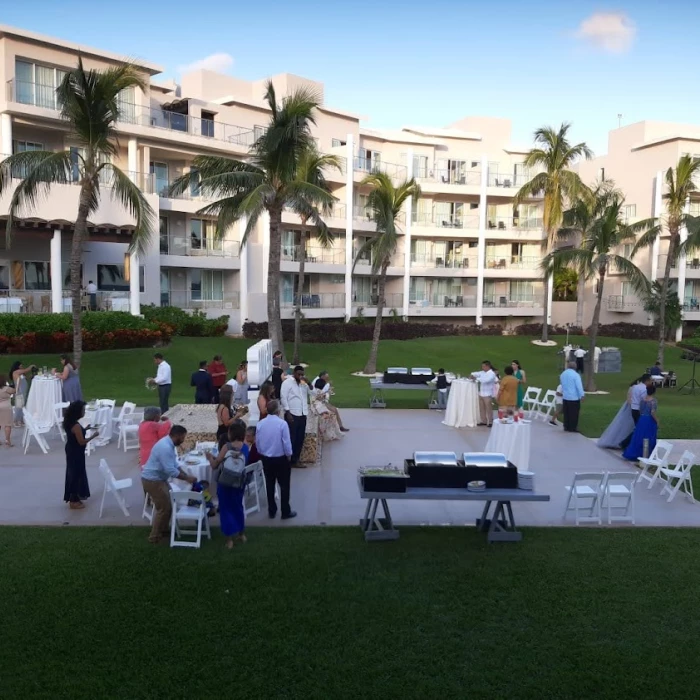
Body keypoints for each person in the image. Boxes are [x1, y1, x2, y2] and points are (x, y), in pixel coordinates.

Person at [141, 425, 197, 544]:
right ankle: (154, 536)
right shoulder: (165, 447)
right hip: (153, 481)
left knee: (169, 505)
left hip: (159, 479)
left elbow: (174, 465)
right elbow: (170, 471)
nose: (183, 440)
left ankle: (164, 531)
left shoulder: (168, 444)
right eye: (182, 437)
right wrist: (187, 478)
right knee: (163, 508)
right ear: (176, 435)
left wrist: (185, 475)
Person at [207, 421, 249, 549]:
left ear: (231, 433)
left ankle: (229, 540)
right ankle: (241, 534)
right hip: (239, 482)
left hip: (225, 482)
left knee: (225, 510)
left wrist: (209, 457)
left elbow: (215, 465)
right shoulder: (246, 447)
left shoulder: (227, 447)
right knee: (238, 507)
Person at [256, 399, 296, 520]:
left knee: (270, 484)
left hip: (267, 459)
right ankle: (285, 511)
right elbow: (286, 442)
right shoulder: (282, 424)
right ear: (278, 411)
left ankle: (272, 510)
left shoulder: (260, 424)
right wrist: (289, 455)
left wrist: (262, 453)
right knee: (284, 486)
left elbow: (258, 441)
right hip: (281, 459)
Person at [63, 401, 99, 509]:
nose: (84, 412)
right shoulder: (76, 426)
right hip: (76, 452)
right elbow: (82, 442)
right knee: (76, 474)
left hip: (71, 449)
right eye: (83, 410)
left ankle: (74, 497)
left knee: (73, 472)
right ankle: (73, 500)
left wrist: (86, 429)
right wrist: (93, 436)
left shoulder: (69, 422)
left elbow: (75, 434)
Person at [280, 365, 310, 466]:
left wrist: (308, 382)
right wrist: (287, 412)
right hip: (292, 414)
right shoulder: (287, 383)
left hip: (302, 413)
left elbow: (313, 392)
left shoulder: (303, 384)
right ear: (294, 373)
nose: (300, 376)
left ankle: (296, 460)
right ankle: (288, 459)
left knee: (300, 438)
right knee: (291, 437)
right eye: (299, 374)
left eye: (302, 374)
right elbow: (283, 397)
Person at [597, 379, 637, 448]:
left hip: (633, 407)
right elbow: (629, 399)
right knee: (625, 425)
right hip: (630, 408)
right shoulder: (632, 388)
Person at [623, 386, 659, 461]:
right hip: (649, 419)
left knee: (639, 435)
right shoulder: (653, 401)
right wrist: (657, 420)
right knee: (648, 436)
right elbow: (652, 412)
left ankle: (635, 452)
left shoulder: (642, 400)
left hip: (642, 419)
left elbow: (640, 410)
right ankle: (647, 453)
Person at [619, 374, 653, 450]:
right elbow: (643, 401)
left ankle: (629, 443)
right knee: (639, 428)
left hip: (633, 409)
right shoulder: (644, 389)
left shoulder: (635, 387)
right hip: (639, 410)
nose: (651, 382)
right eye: (650, 380)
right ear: (647, 380)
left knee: (639, 428)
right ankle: (625, 443)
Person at [560, 361, 585, 432]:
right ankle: (573, 427)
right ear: (575, 367)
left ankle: (566, 426)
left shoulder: (563, 374)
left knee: (566, 412)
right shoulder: (576, 375)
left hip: (565, 396)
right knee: (574, 413)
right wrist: (582, 395)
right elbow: (579, 386)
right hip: (574, 397)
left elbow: (562, 384)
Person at [471, 361, 496, 427]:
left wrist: (477, 378)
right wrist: (472, 375)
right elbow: (475, 373)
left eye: (483, 366)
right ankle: (483, 421)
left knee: (488, 408)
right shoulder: (482, 372)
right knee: (482, 408)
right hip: (482, 393)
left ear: (487, 366)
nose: (482, 368)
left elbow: (486, 380)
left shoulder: (491, 374)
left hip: (488, 394)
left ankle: (490, 421)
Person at [10, 360, 34, 427]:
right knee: (18, 406)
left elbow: (25, 379)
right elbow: (26, 370)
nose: (22, 366)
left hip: (23, 391)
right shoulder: (15, 372)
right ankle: (15, 421)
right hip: (19, 391)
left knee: (22, 406)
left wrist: (31, 377)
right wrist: (31, 366)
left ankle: (21, 420)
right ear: (17, 366)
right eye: (20, 365)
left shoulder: (21, 373)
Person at [0, 374, 15, 447]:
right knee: (7, 424)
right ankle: (7, 440)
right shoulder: (6, 389)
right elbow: (14, 391)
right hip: (6, 407)